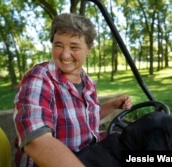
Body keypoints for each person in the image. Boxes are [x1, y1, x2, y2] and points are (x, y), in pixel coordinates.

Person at [13, 13, 132, 167]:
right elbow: (36, 141)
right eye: (58, 45)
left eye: (74, 47)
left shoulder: (87, 81)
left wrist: (114, 105)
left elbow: (86, 117)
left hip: (90, 153)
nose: (65, 54)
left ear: (89, 49)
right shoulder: (38, 79)